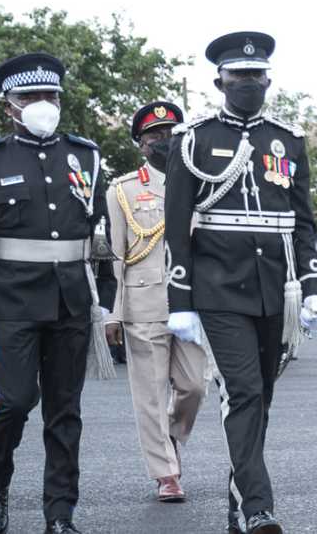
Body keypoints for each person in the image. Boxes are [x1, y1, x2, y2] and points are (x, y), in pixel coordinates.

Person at [163, 31, 317, 534]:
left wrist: (313, 284)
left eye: (257, 76)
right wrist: (180, 300)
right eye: (239, 76)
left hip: (276, 286)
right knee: (244, 392)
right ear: (220, 80)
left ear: (268, 79)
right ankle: (259, 508)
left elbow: (303, 221)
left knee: (263, 399)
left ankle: (239, 500)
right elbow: (176, 226)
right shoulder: (192, 139)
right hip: (219, 286)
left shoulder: (288, 140)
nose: (249, 83)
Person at [0, 53, 116, 534]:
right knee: (16, 399)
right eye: (31, 97)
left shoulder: (85, 155)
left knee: (65, 411)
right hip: (10, 303)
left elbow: (99, 237)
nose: (43, 104)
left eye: (50, 96)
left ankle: (60, 512)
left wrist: (104, 299)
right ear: (9, 105)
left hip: (70, 300)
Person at [105, 101, 207, 503]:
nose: (164, 141)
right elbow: (116, 255)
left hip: (190, 304)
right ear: (141, 145)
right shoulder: (123, 190)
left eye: (171, 134)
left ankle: (169, 439)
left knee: (193, 386)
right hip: (142, 301)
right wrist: (113, 313)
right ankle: (165, 472)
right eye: (155, 136)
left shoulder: (202, 181)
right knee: (148, 393)